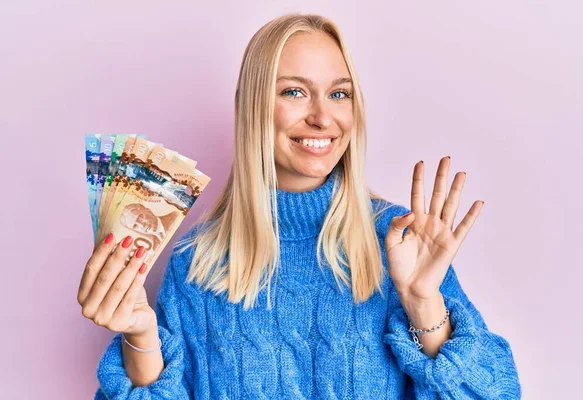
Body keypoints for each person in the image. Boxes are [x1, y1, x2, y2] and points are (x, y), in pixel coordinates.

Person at [78, 13, 522, 399]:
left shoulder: (399, 244)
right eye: (294, 92)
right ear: (253, 107)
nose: (323, 118)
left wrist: (423, 302)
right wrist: (141, 336)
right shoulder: (197, 263)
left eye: (339, 93)